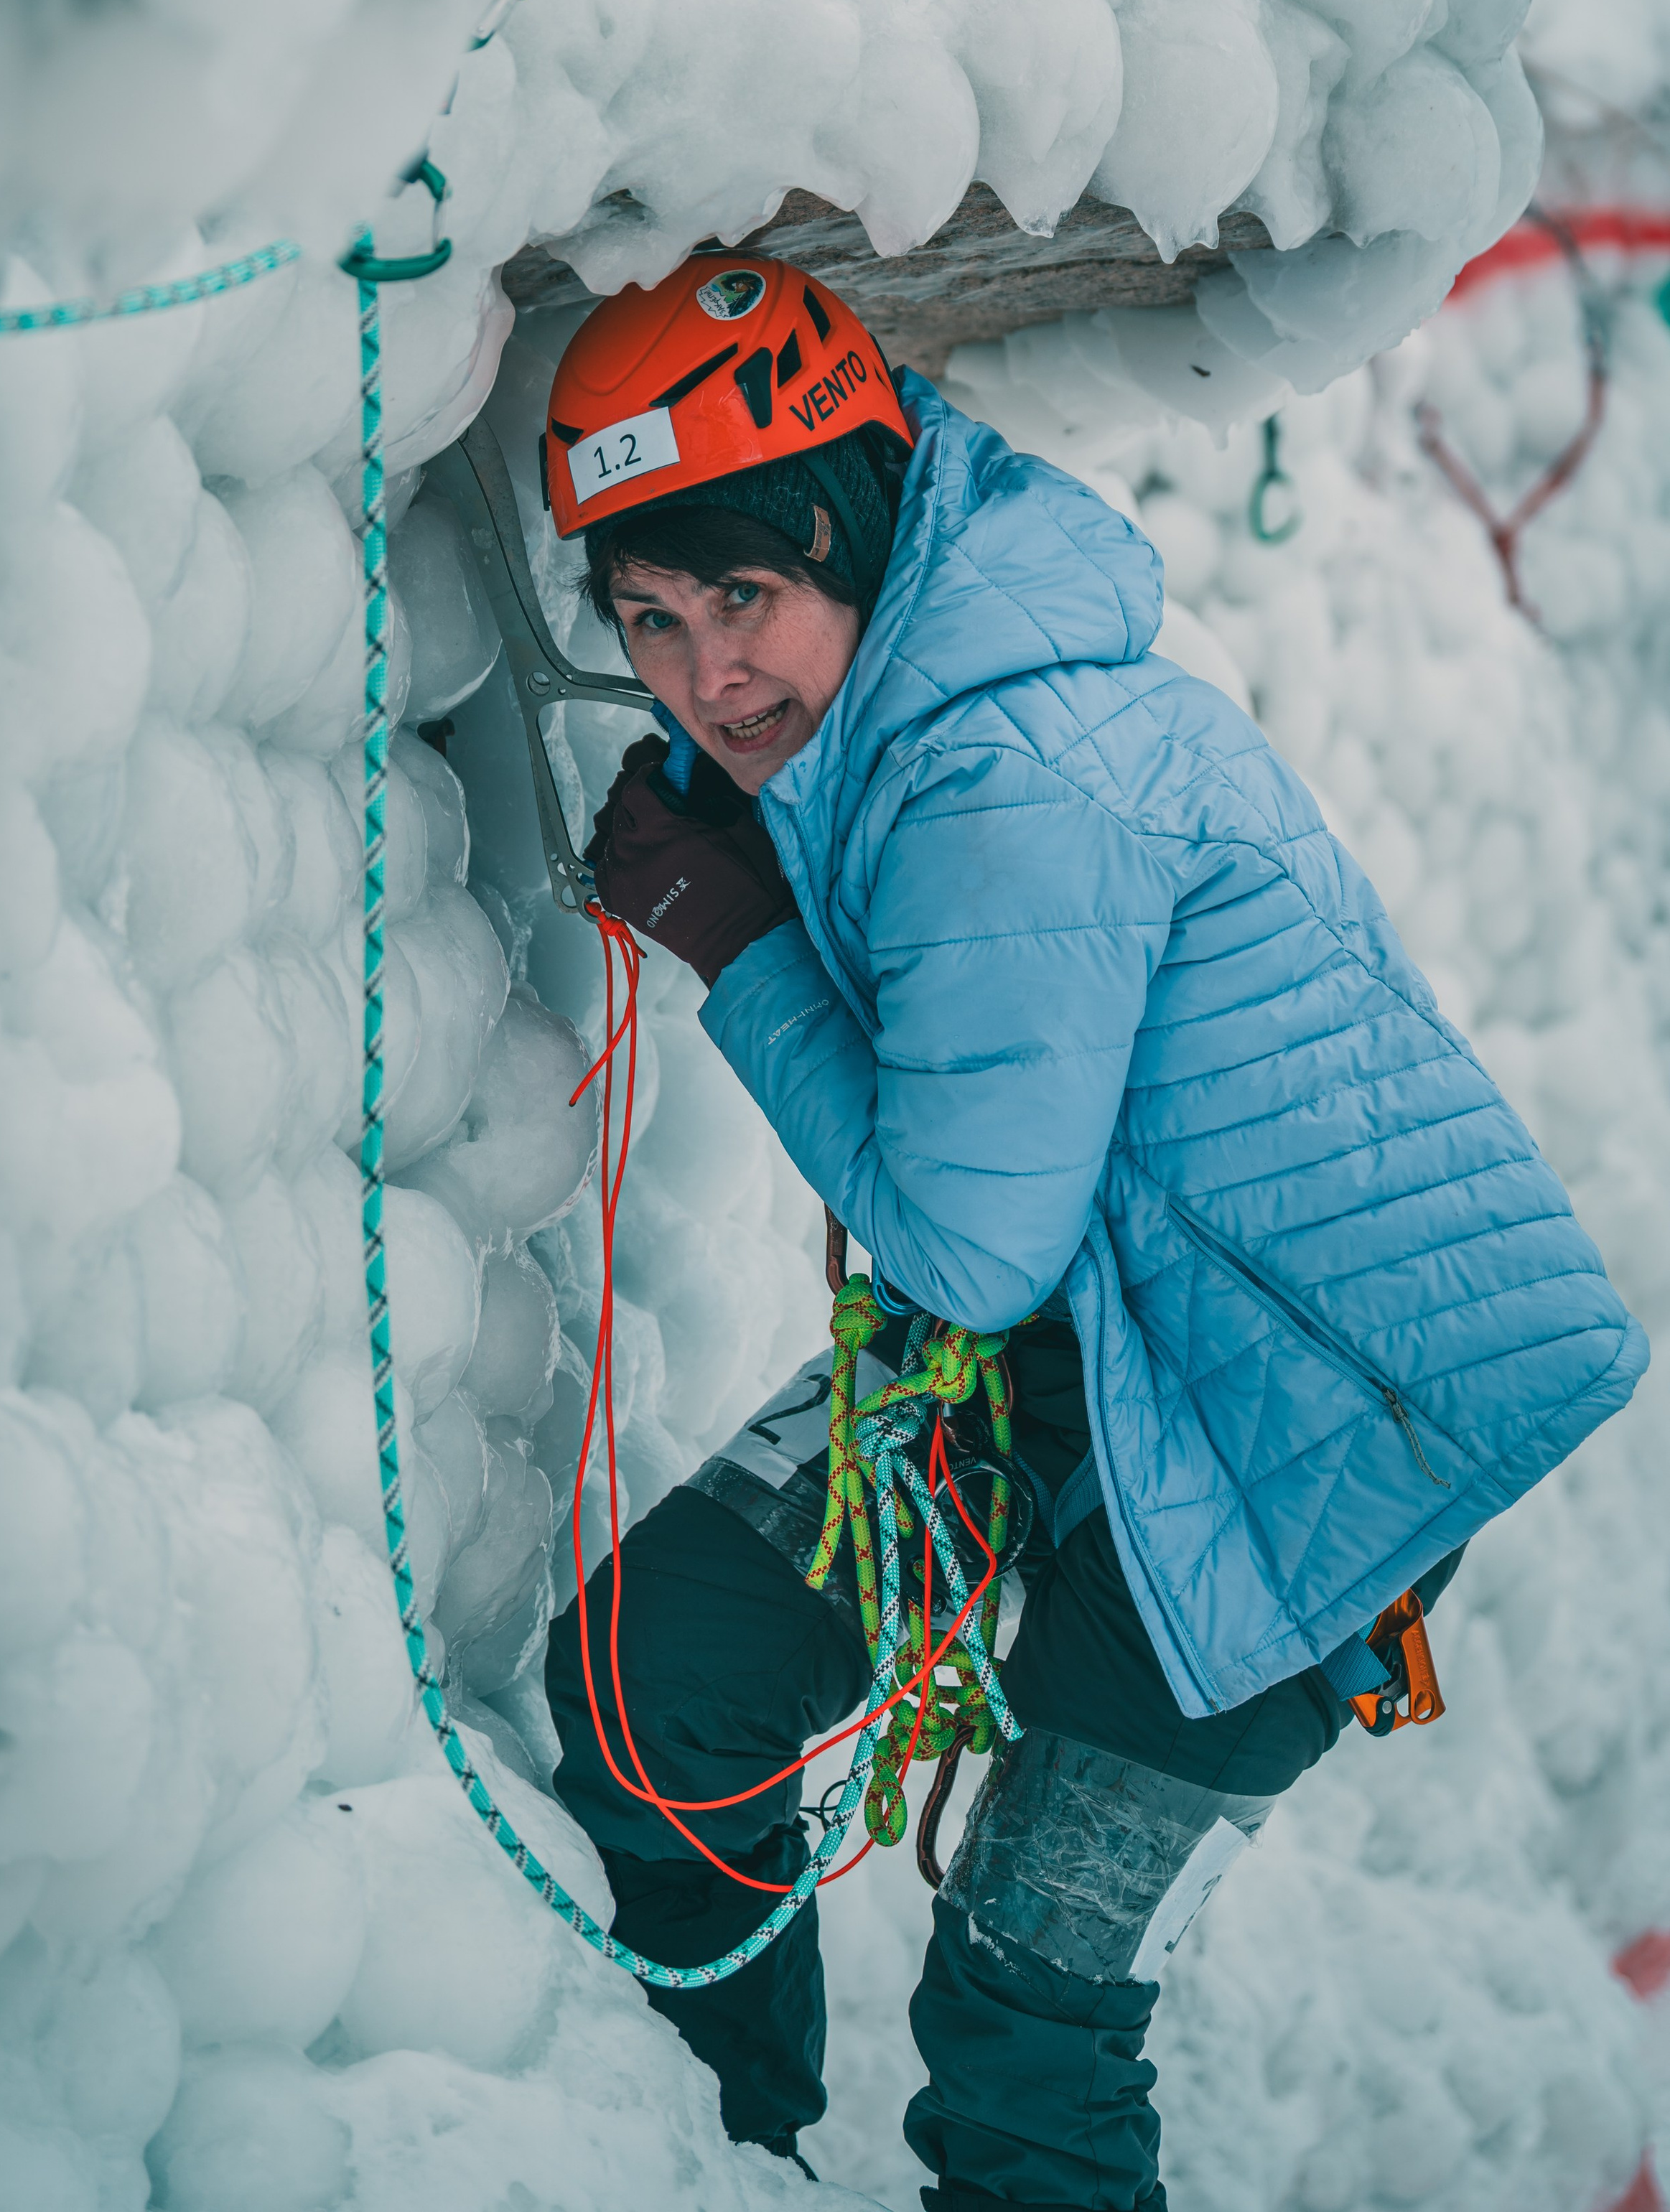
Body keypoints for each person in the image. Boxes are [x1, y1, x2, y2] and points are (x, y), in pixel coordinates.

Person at [538, 253, 1646, 2211]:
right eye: (652, 617)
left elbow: (962, 1251)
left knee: (1030, 2013)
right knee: (660, 1687)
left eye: (746, 593)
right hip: (1081, 1356)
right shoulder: (918, 716)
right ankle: (702, 2172)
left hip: (1311, 1443)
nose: (712, 669)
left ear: (860, 532)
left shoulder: (1005, 778)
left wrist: (736, 943)